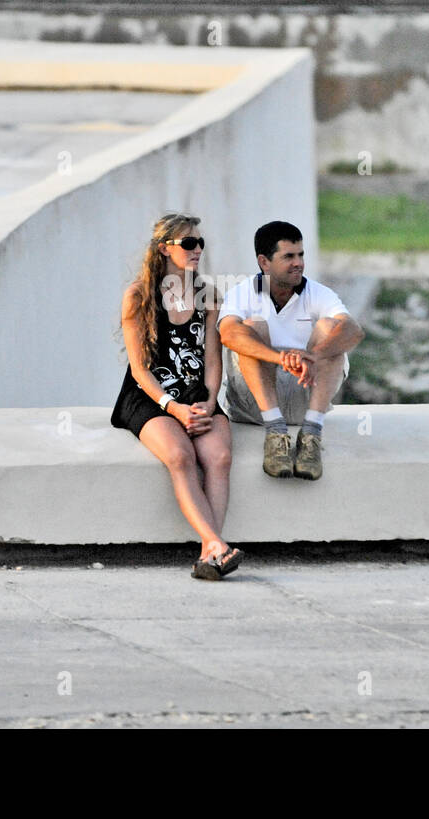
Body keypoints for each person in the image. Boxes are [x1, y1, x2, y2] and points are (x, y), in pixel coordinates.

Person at [111, 213, 242, 581]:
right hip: (150, 397)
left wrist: (211, 402)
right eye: (188, 243)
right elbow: (139, 369)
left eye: (200, 242)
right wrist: (173, 407)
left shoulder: (209, 295)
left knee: (219, 457)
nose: (197, 249)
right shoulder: (138, 296)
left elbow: (213, 360)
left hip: (198, 395)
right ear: (164, 248)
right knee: (181, 456)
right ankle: (216, 545)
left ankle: (210, 552)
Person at [217, 221, 365, 482]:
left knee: (333, 328)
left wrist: (315, 355)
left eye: (301, 255)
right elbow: (228, 333)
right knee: (252, 327)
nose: (298, 263)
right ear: (264, 262)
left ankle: (311, 435)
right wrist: (279, 357)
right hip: (256, 405)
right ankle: (275, 434)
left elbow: (354, 331)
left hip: (306, 397)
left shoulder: (318, 293)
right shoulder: (243, 293)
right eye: (288, 256)